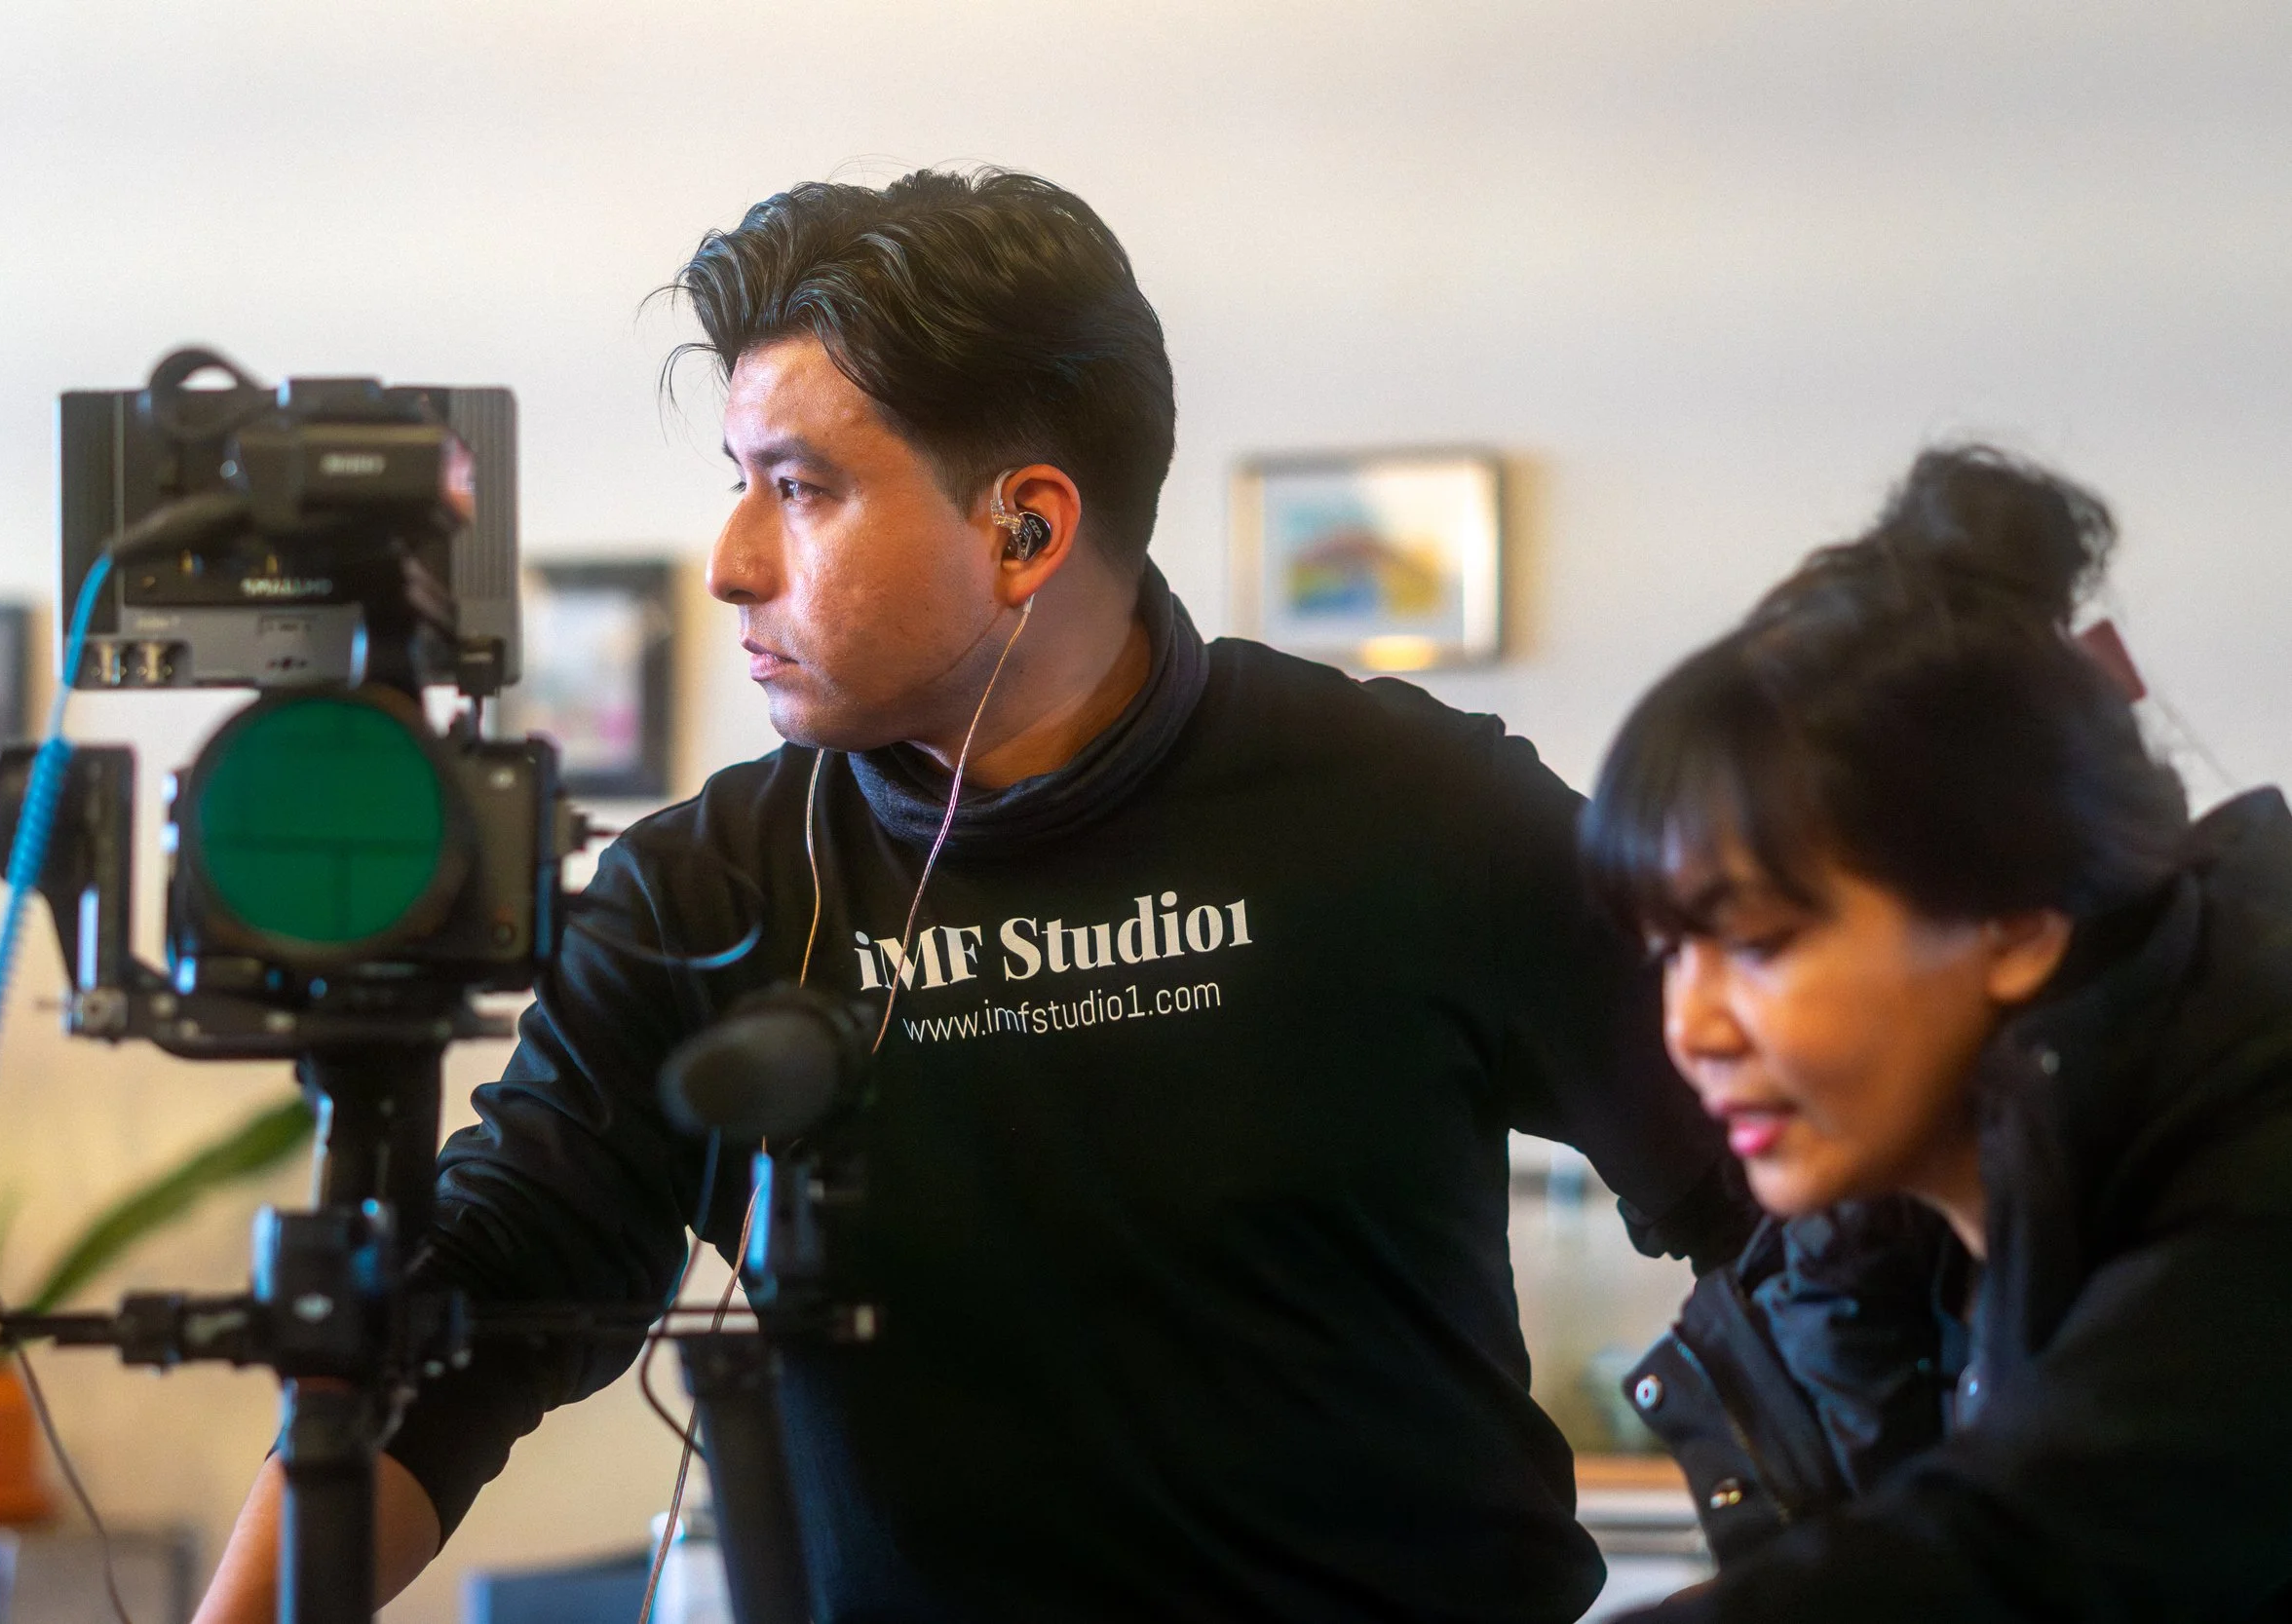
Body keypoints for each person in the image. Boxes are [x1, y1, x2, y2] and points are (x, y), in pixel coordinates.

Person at [195, 167, 1752, 1623]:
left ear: (1026, 527)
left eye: (798, 488)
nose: (732, 561)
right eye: (738, 480)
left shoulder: (1416, 806)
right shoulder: (701, 890)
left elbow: (1778, 1197)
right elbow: (462, 1340)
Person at [1579, 446, 2292, 1621]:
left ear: (2014, 921)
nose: (1689, 1025)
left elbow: (2005, 1560)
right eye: (1667, 951)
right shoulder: (1875, 1259)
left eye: (1754, 942)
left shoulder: (2257, 1168)